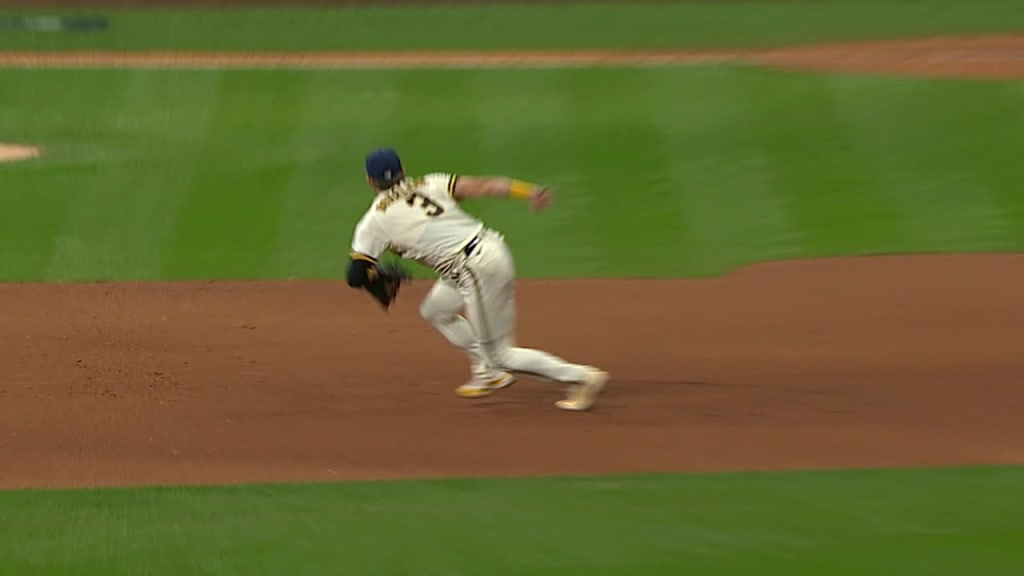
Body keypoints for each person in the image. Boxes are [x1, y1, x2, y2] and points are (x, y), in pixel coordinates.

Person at [345, 147, 608, 411]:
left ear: (370, 181)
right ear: (403, 171)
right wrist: (529, 191)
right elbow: (483, 186)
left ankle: (581, 377)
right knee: (436, 311)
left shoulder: (374, 221)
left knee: (502, 355)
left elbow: (355, 275)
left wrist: (374, 273)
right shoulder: (432, 182)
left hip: (474, 268)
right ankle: (488, 374)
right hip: (490, 248)